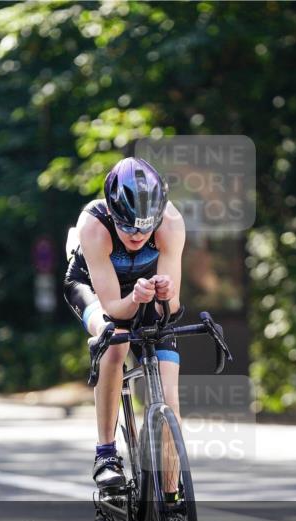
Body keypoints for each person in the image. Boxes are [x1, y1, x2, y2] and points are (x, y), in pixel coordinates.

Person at [63, 156, 187, 498]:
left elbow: (171, 309)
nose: (138, 234)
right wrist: (135, 299)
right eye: (128, 226)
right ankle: (106, 455)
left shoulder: (171, 223)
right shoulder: (94, 225)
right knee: (114, 340)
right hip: (94, 289)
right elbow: (114, 308)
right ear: (114, 214)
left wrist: (166, 294)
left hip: (143, 290)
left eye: (146, 227)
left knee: (170, 398)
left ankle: (172, 498)